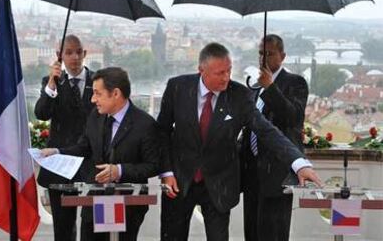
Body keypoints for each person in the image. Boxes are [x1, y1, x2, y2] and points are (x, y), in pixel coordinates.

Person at [158, 42, 321, 241]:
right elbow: (161, 132)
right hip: (178, 181)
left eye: (229, 71)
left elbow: (268, 132)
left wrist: (298, 163)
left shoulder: (239, 95)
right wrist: (166, 172)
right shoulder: (177, 87)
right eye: (220, 73)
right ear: (201, 70)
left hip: (219, 185)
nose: (226, 77)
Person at [41, 67, 160, 241]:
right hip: (95, 199)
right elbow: (84, 147)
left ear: (116, 94)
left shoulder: (145, 124)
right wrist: (57, 152)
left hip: (128, 204)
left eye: (97, 93)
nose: (92, 99)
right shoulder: (95, 117)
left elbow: (153, 165)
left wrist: (119, 171)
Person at [241, 34, 309, 241]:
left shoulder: (295, 83)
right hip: (252, 171)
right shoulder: (253, 85)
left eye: (270, 54)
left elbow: (292, 117)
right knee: (252, 231)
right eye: (261, 53)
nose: (264, 58)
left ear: (283, 56)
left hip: (278, 173)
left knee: (273, 233)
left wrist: (271, 87)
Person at [35, 34, 94, 241]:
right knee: (63, 227)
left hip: (90, 164)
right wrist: (52, 81)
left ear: (85, 53)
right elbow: (41, 113)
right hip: (60, 165)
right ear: (59, 56)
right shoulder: (52, 82)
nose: (75, 57)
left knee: (93, 225)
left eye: (78, 52)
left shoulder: (98, 81)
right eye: (69, 52)